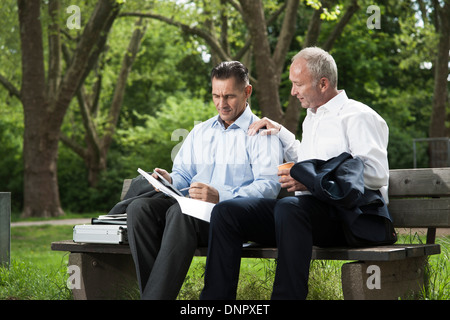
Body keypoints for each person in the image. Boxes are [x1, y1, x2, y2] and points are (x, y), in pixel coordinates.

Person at [200, 47, 396, 300]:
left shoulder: (358, 116)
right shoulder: (312, 116)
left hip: (350, 218)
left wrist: (310, 180)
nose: (292, 92)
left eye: (298, 84)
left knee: (289, 207)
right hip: (305, 216)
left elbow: (376, 173)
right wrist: (280, 131)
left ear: (323, 83)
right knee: (227, 212)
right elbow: (309, 159)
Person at [126, 61, 283, 299]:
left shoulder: (262, 133)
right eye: (216, 96)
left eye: (229, 96)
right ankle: (155, 295)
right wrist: (168, 179)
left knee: (180, 214)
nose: (222, 104)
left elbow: (269, 187)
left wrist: (220, 196)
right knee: (140, 209)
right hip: (191, 212)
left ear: (247, 91)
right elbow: (184, 175)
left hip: (228, 218)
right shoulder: (200, 131)